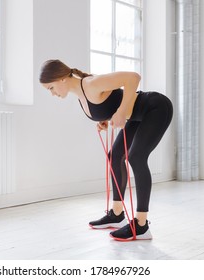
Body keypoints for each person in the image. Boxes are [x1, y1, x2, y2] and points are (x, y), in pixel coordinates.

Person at [39, 59, 173, 241]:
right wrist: (107, 117)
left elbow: (133, 78)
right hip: (138, 115)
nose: (52, 94)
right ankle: (117, 215)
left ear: (61, 78)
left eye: (51, 88)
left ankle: (141, 225)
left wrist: (121, 111)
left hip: (156, 107)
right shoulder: (81, 95)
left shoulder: (90, 84)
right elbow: (110, 101)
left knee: (136, 158)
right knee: (115, 156)